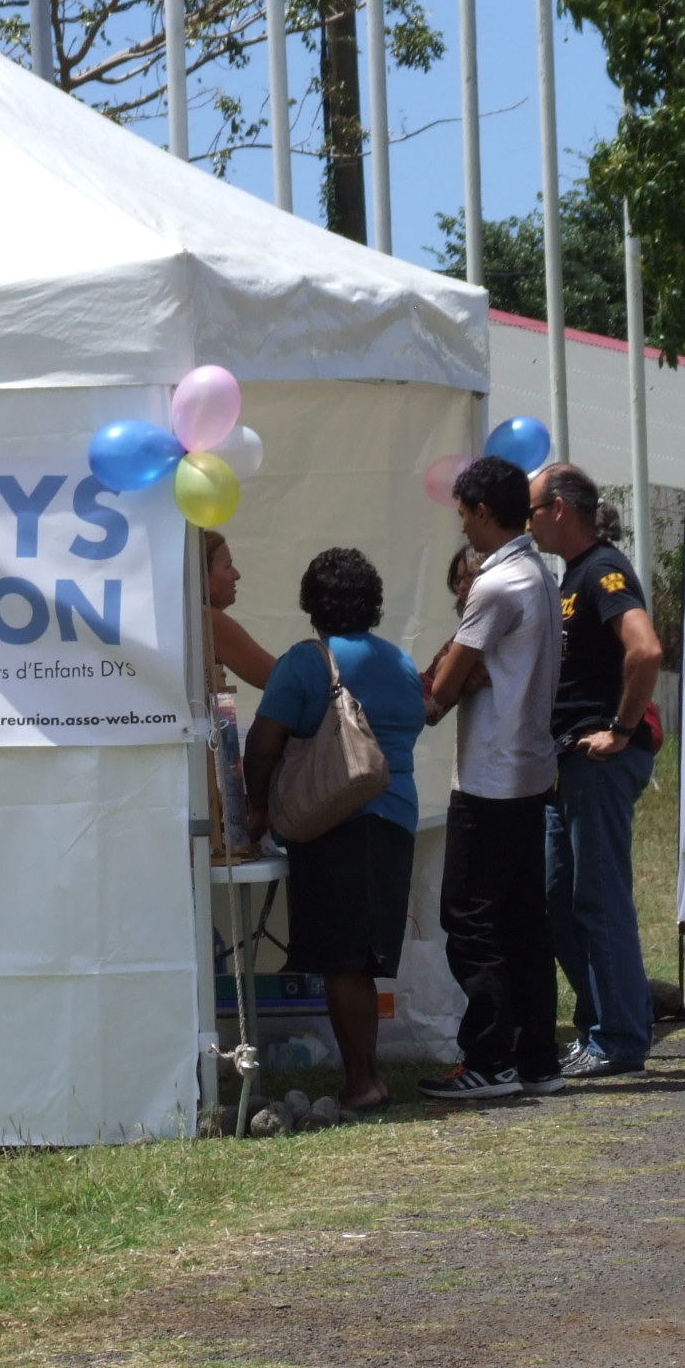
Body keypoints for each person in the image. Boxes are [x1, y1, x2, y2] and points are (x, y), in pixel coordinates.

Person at [240, 549, 424, 1114]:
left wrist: (255, 811)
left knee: (345, 962)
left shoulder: (306, 662)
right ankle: (368, 1076)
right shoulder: (400, 662)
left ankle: (362, 1083)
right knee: (364, 958)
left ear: (311, 604)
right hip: (395, 817)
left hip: (333, 821)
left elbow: (264, 744)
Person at [418, 456, 563, 1100]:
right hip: (530, 769)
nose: (463, 531)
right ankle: (537, 1056)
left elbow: (442, 692)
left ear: (483, 512)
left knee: (470, 918)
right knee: (523, 919)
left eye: (465, 517)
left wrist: (424, 688)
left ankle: (489, 1059)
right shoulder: (540, 572)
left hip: (489, 775)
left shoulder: (496, 583)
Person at [527, 463, 664, 1080]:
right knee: (560, 898)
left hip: (599, 761)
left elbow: (646, 648)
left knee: (599, 897)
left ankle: (620, 1040)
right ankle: (599, 1027)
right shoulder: (571, 578)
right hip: (567, 762)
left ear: (559, 508)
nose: (527, 524)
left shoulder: (603, 571)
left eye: (531, 511)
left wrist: (623, 728)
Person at [201, 529, 275, 688]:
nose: (236, 575)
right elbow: (277, 679)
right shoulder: (207, 620)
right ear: (202, 576)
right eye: (228, 566)